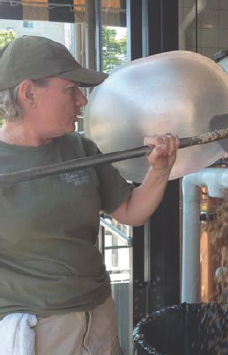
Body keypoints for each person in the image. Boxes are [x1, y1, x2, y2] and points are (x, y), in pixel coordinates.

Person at [0, 35, 179, 354]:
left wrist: (160, 170)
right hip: (39, 332)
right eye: (71, 89)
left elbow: (130, 211)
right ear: (29, 93)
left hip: (98, 317)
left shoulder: (81, 149)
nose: (82, 101)